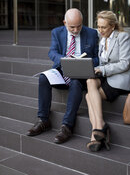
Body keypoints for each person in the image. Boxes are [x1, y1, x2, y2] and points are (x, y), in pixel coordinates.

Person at [27, 8, 99, 144]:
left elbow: (97, 59)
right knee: (43, 78)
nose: (76, 30)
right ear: (65, 22)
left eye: (79, 26)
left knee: (76, 82)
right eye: (72, 27)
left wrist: (85, 62)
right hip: (62, 68)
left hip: (81, 72)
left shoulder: (92, 33)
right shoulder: (57, 32)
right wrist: (65, 59)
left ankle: (67, 126)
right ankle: (43, 120)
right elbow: (52, 52)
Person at [85, 10, 130, 152]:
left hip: (121, 78)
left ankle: (95, 133)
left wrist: (103, 70)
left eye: (103, 27)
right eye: (98, 26)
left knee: (89, 96)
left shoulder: (123, 37)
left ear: (112, 26)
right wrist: (94, 68)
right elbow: (103, 62)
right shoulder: (102, 39)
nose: (100, 30)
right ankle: (100, 126)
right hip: (107, 76)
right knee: (90, 81)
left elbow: (125, 63)